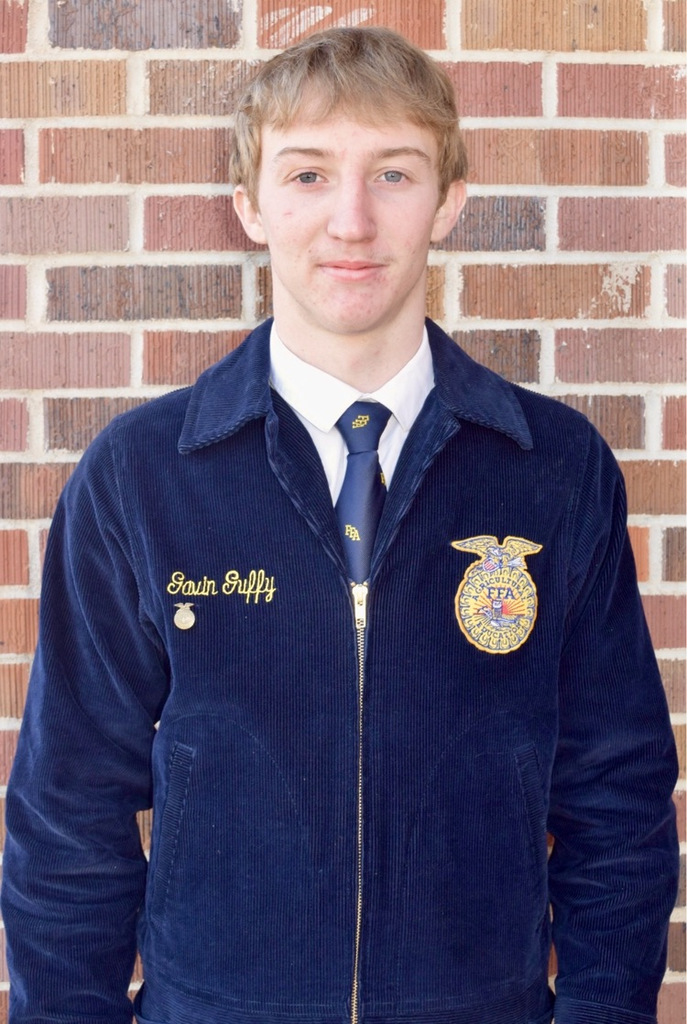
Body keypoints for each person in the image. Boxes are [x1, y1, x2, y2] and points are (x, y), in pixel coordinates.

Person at [2, 27, 679, 1024]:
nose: (352, 220)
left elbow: (615, 799)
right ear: (250, 204)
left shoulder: (555, 471)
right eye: (309, 174)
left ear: (448, 199)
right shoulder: (142, 479)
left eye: (394, 174)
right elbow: (68, 815)